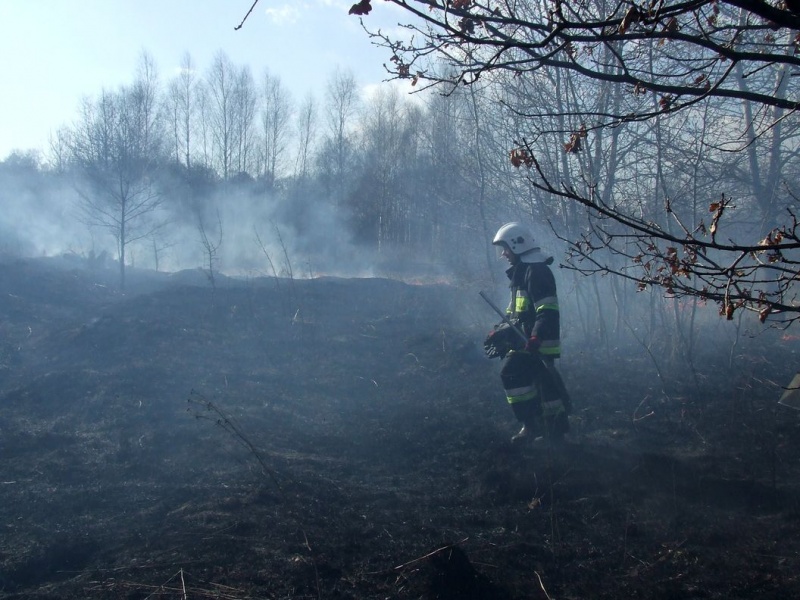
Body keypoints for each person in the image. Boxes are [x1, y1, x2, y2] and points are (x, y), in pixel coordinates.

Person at [484, 222, 570, 443]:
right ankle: (554, 430)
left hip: (534, 342)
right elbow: (514, 313)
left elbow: (547, 309)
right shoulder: (522, 272)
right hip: (525, 340)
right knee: (545, 383)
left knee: (511, 373)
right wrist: (499, 331)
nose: (503, 254)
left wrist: (536, 337)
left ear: (517, 245)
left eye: (506, 248)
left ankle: (532, 426)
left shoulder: (537, 272)